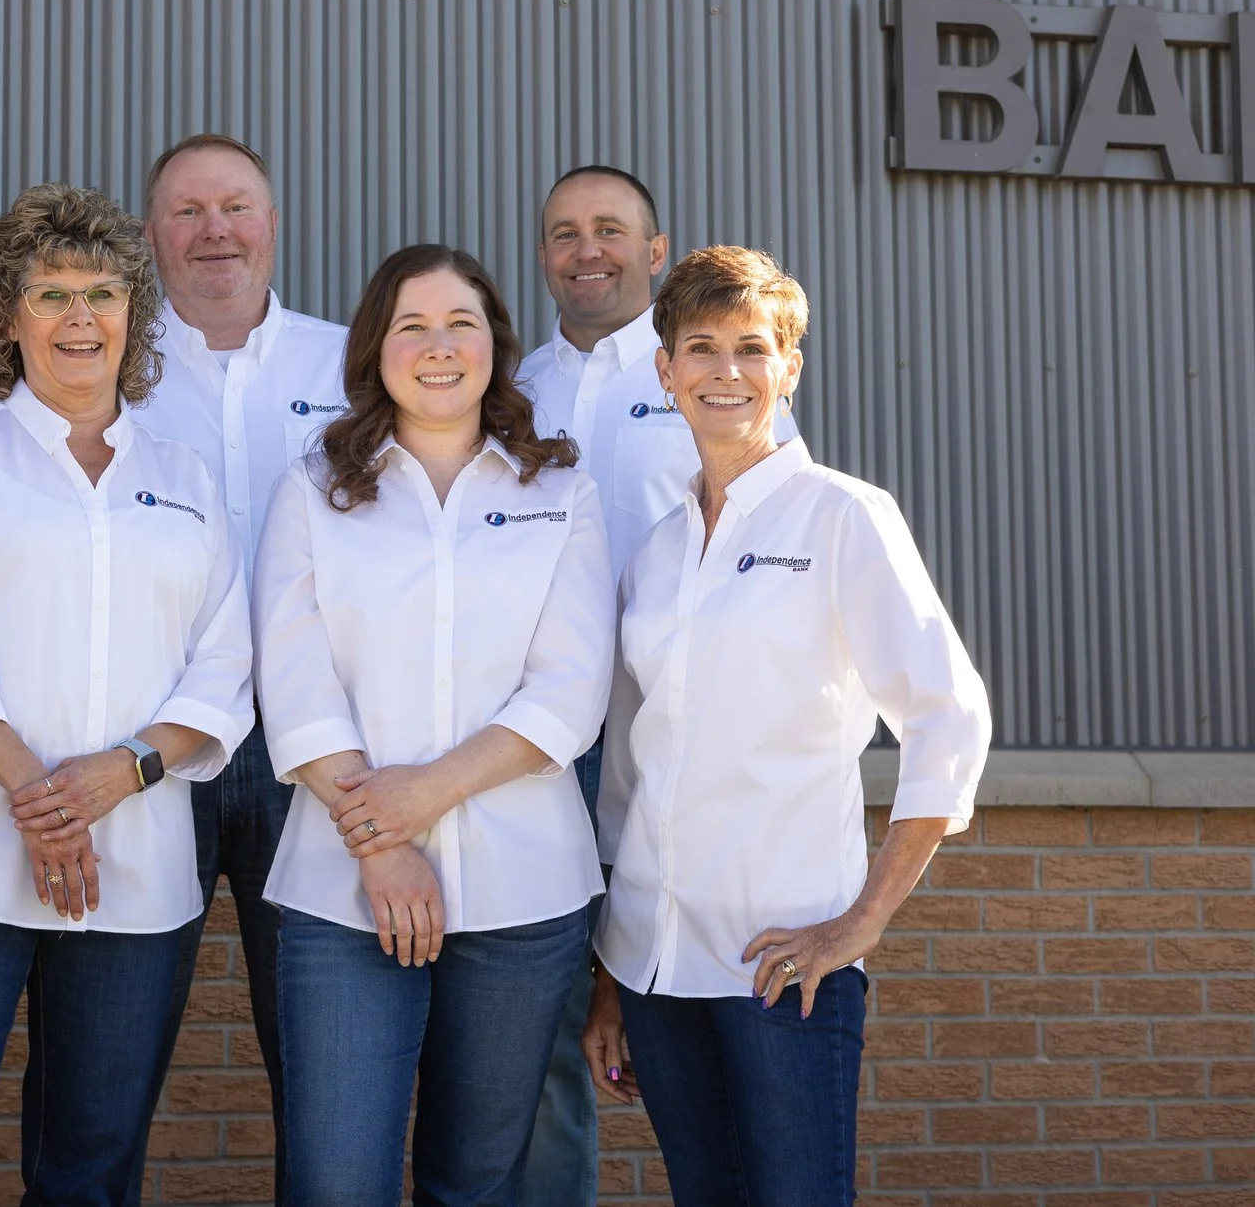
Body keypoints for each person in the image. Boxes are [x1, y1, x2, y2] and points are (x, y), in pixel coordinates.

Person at [0, 183, 256, 1206]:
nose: (80, 317)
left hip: (137, 869)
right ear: (7, 315)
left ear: (135, 313)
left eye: (102, 293)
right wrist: (42, 796)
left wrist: (118, 773)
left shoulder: (186, 475)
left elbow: (226, 660)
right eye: (50, 294)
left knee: (93, 1158)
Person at [582, 246, 992, 1207]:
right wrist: (611, 976)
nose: (727, 371)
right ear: (666, 371)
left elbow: (948, 717)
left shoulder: (844, 516)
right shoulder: (658, 548)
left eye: (752, 348)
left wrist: (864, 919)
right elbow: (631, 777)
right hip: (657, 968)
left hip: (784, 967)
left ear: (789, 368)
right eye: (701, 347)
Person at [257, 243, 612, 1207]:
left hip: (522, 894)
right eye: (411, 325)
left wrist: (423, 794)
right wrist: (383, 840)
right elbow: (294, 682)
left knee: (476, 1182)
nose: (438, 346)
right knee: (336, 1183)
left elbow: (569, 691)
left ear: (495, 345)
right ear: (376, 348)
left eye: (460, 323)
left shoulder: (561, 492)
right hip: (343, 889)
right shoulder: (313, 488)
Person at [517, 164, 793, 1199]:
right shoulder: (511, 387)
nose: (585, 249)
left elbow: (772, 543)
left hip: (666, 744)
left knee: (681, 1003)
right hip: (535, 741)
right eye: (561, 233)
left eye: (608, 230)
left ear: (653, 249)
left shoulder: (705, 376)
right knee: (544, 1015)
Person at [125, 133, 346, 1196]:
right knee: (106, 1058)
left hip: (310, 750)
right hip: (146, 748)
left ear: (270, 220)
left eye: (236, 206)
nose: (215, 228)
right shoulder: (106, 364)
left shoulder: (351, 365)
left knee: (318, 1059)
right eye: (186, 209)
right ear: (150, 232)